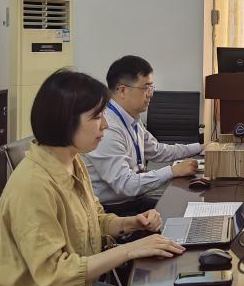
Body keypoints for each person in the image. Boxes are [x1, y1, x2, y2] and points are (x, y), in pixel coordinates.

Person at [0, 69, 185, 286]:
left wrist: (130, 223)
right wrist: (129, 250)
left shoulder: (73, 161)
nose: (105, 125)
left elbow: (94, 218)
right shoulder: (33, 185)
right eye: (97, 117)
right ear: (66, 122)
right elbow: (55, 274)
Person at [83, 55, 202, 215]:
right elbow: (126, 185)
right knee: (178, 215)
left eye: (151, 87)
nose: (150, 94)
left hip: (135, 200)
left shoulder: (132, 119)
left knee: (186, 209)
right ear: (122, 90)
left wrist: (200, 147)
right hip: (113, 211)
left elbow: (158, 151)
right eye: (146, 88)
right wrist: (173, 171)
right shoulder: (108, 128)